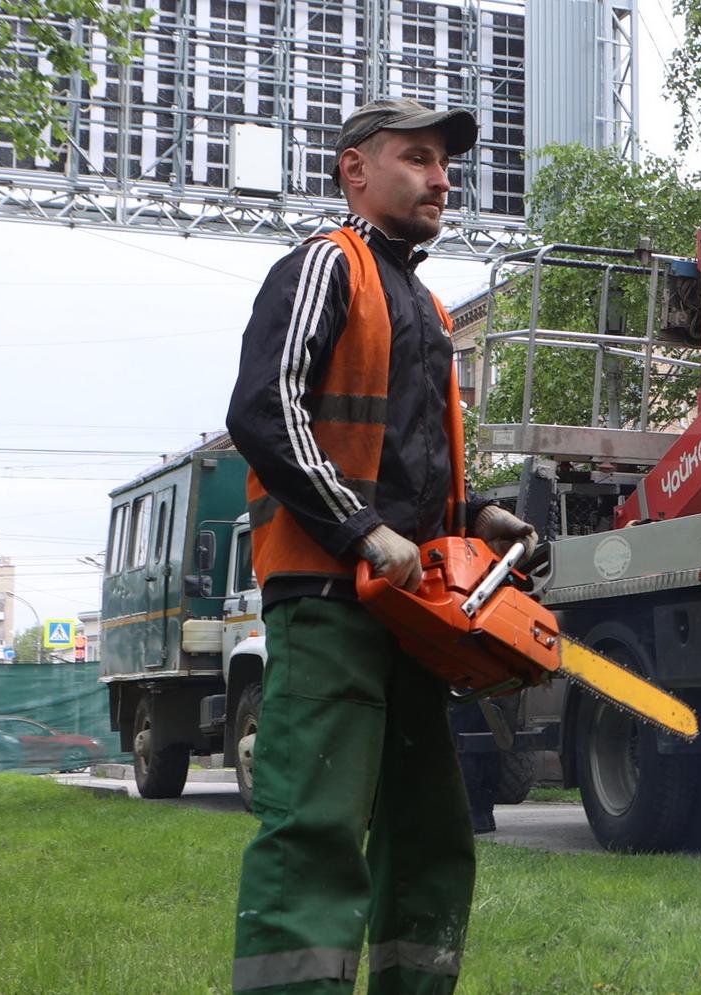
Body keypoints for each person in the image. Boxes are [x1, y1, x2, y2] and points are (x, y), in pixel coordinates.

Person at [224, 96, 539, 995]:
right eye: (417, 157)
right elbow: (265, 413)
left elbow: (408, 462)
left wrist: (474, 519)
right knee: (316, 825)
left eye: (445, 162)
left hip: (409, 608)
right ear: (354, 170)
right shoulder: (326, 267)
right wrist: (361, 529)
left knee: (433, 832)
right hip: (328, 599)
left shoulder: (428, 307)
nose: (442, 176)